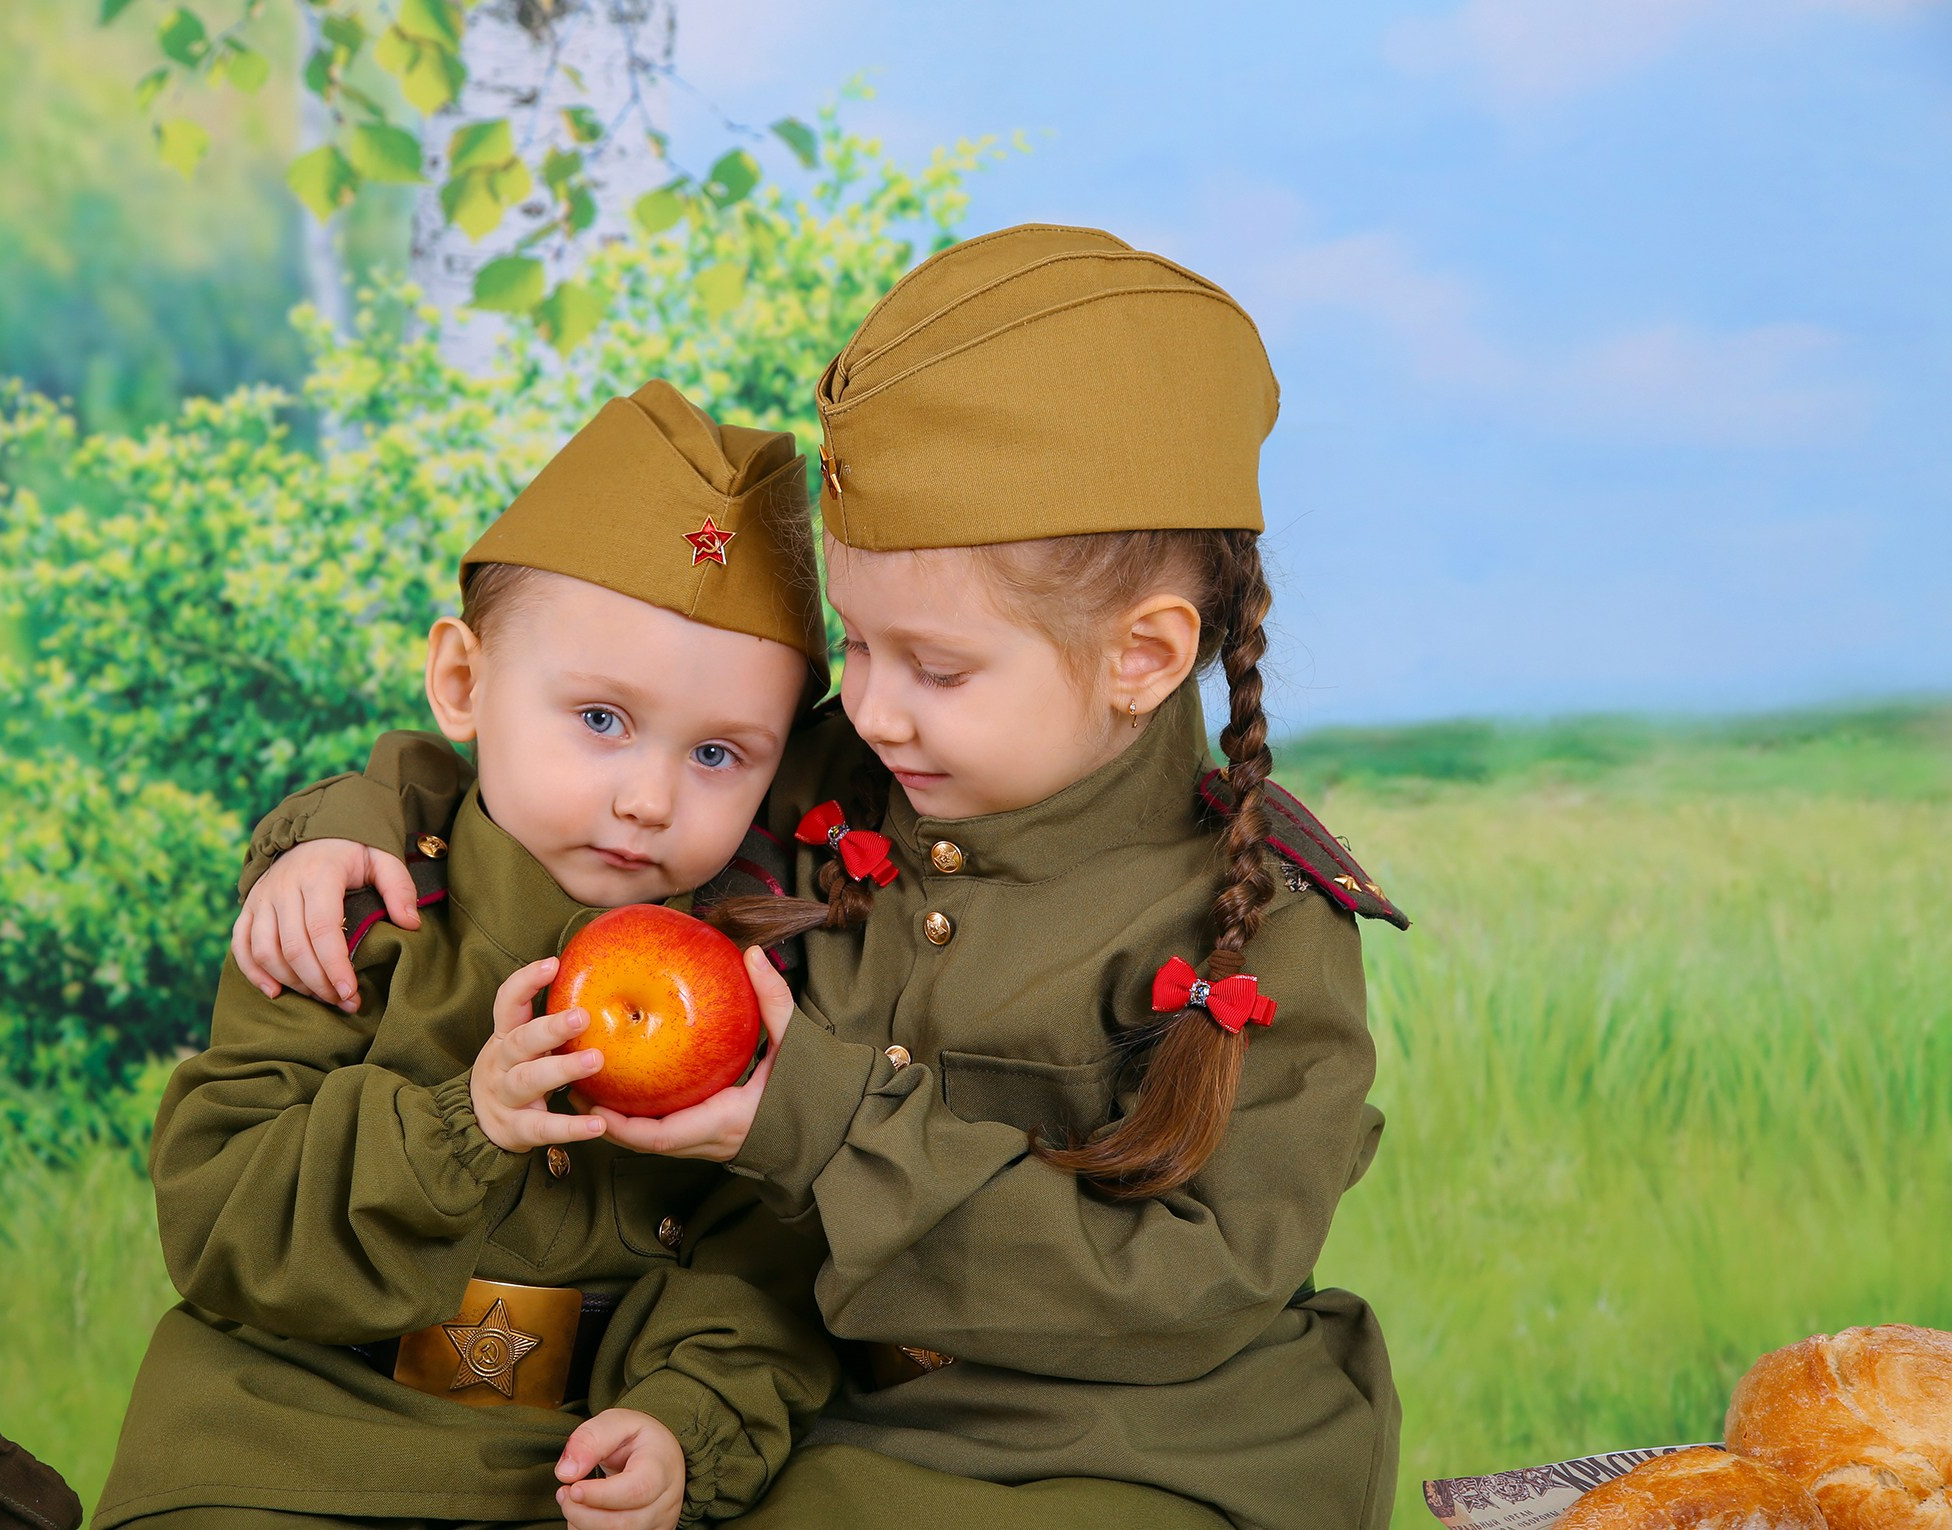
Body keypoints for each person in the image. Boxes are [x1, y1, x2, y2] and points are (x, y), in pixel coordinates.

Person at [233, 226, 1410, 1530]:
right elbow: (565, 769)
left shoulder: (1272, 923)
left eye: (939, 668)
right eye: (856, 643)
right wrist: (351, 823)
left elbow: (1193, 1288)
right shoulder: (822, 781)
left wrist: (823, 1119)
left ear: (1143, 655)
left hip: (1139, 1451)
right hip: (809, 1424)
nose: (874, 708)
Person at [93, 382, 840, 1530]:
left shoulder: (760, 983)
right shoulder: (351, 910)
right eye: (599, 719)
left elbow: (766, 1274)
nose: (647, 799)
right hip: (280, 1442)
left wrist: (682, 1426)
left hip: (565, 1476)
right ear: (462, 681)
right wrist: (463, 1123)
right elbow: (218, 1220)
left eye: (721, 754)